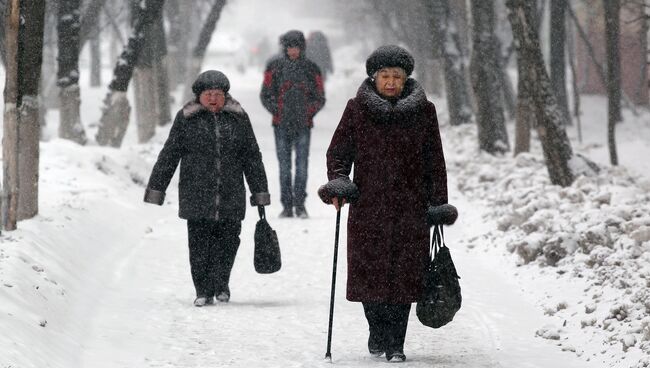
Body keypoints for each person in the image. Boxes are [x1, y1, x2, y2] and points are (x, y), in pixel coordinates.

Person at [319, 45, 448, 362]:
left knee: (404, 278)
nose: (391, 82)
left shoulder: (424, 112)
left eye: (397, 77)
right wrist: (339, 182)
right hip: (368, 206)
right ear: (374, 78)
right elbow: (339, 152)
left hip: (410, 207)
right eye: (385, 76)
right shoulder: (357, 109)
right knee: (369, 277)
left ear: (406, 80)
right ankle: (377, 330)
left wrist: (437, 202)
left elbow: (435, 160)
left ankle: (396, 343)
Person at [144, 70, 270, 307]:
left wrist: (259, 191)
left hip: (231, 193)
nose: (213, 99)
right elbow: (170, 153)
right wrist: (157, 187)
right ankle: (202, 289)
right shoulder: (186, 118)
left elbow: (252, 156)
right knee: (199, 243)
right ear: (199, 96)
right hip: (196, 192)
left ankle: (221, 283)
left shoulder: (238, 118)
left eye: (218, 94)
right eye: (208, 94)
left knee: (229, 241)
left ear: (226, 95)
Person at [260, 30, 326, 219]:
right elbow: (265, 94)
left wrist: (308, 112)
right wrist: (278, 111)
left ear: (302, 47)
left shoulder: (312, 69)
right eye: (289, 47)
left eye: (296, 47)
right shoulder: (274, 67)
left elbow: (320, 97)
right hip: (281, 124)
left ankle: (300, 204)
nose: (293, 51)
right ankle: (287, 206)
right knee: (284, 166)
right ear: (285, 47)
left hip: (303, 125)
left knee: (302, 166)